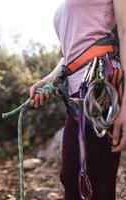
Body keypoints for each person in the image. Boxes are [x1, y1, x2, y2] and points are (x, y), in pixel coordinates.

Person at [29, 0, 126, 199]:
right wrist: (49, 80)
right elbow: (69, 54)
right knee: (70, 177)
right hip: (76, 99)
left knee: (99, 182)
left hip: (100, 90)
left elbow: (124, 32)